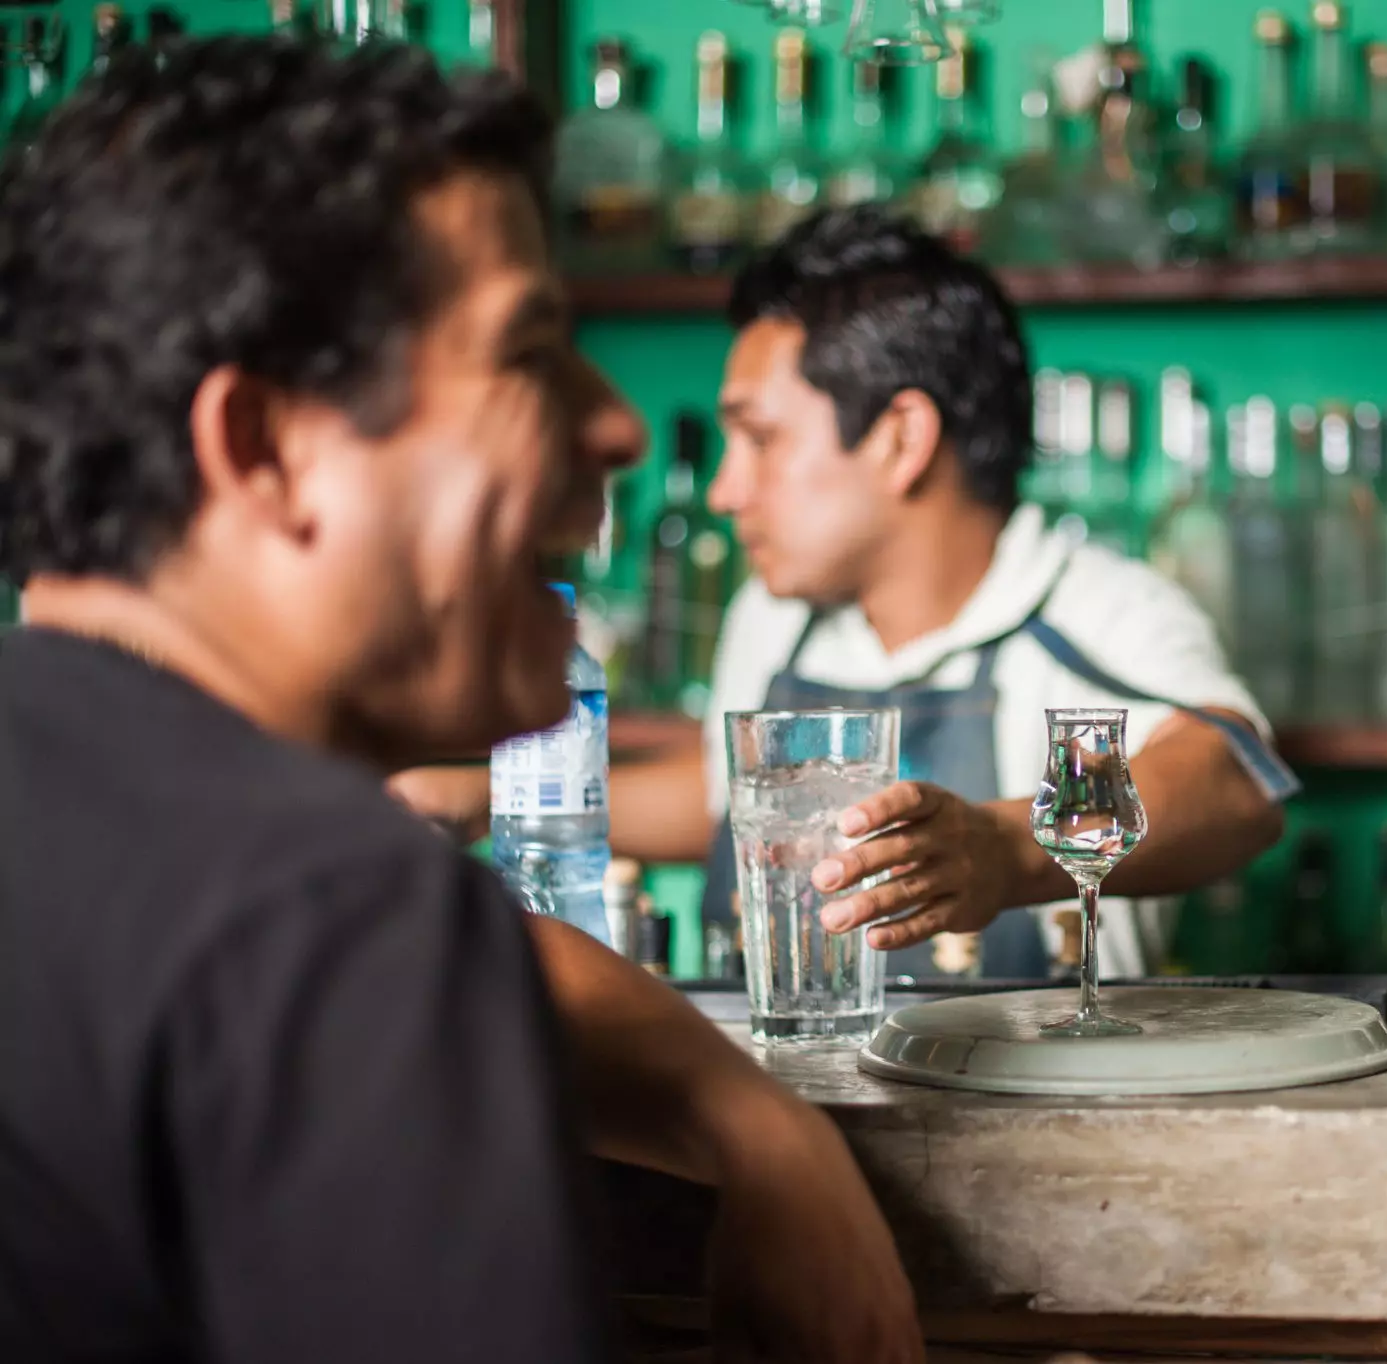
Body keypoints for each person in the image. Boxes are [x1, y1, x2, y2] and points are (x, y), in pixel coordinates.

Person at [0, 37, 919, 1364]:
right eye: (530, 353)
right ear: (267, 451)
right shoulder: (339, 907)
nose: (613, 425)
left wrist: (751, 1116)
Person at [396, 208, 1294, 979]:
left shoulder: (1088, 606)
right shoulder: (776, 616)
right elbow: (726, 796)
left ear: (901, 438)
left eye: (760, 440)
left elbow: (1230, 783)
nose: (724, 490)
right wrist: (484, 796)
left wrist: (1002, 850)